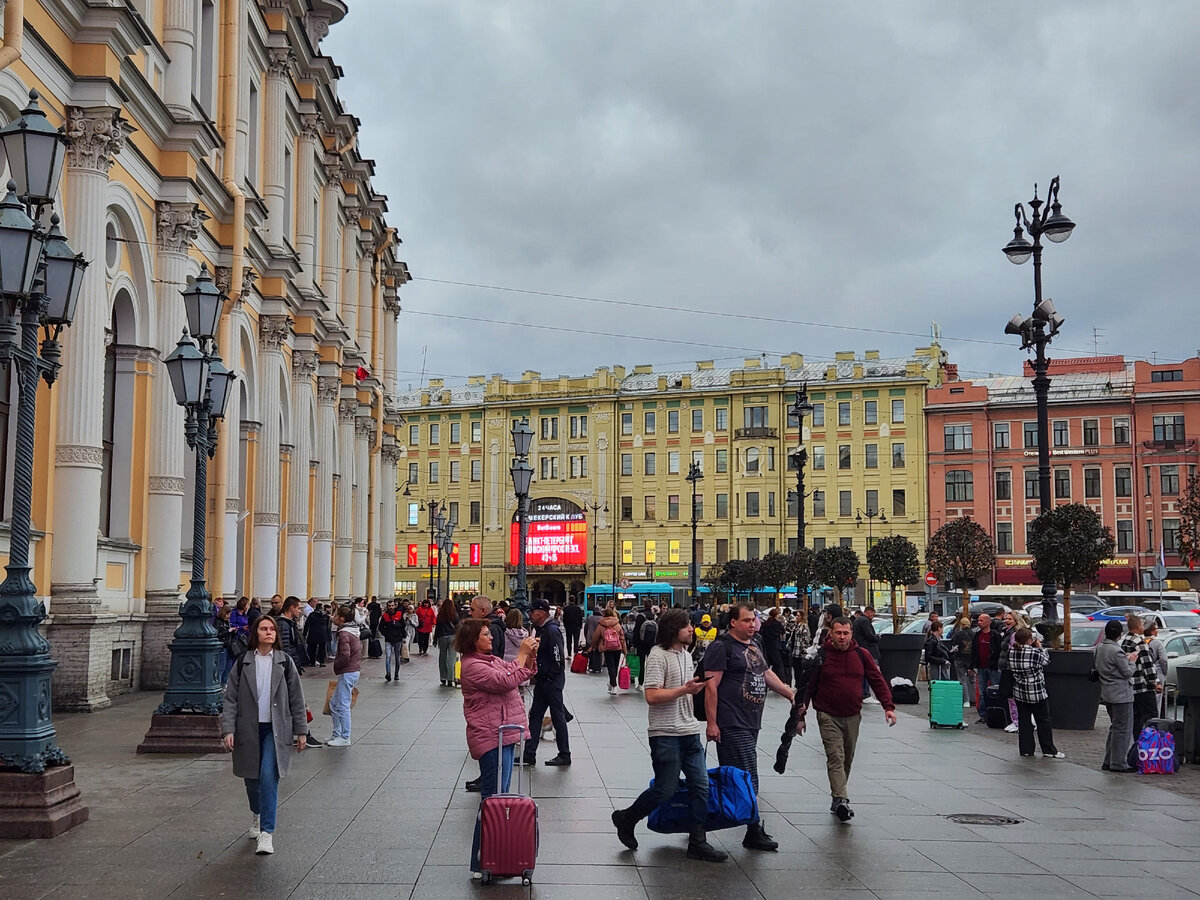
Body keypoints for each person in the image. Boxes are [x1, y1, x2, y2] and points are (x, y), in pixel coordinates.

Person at [610, 608, 727, 863]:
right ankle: (627, 817)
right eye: (687, 626)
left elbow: (682, 690)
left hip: (689, 730)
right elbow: (651, 696)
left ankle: (698, 841)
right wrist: (684, 690)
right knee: (665, 788)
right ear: (674, 629)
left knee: (701, 785)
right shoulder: (658, 656)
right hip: (665, 733)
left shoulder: (686, 655)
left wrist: (693, 691)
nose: (691, 630)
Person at [702, 603, 795, 851]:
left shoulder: (755, 644)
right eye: (746, 620)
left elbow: (765, 673)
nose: (752, 624)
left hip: (752, 719)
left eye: (754, 620)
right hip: (731, 721)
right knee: (747, 777)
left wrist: (789, 693)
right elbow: (711, 686)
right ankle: (753, 830)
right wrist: (712, 723)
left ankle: (699, 822)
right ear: (733, 622)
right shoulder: (721, 647)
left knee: (737, 777)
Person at [457, 617, 539, 879]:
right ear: (473, 640)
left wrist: (529, 657)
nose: (491, 637)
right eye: (485, 634)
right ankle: (482, 861)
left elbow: (519, 674)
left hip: (504, 732)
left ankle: (498, 855)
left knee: (499, 798)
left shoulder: (490, 660)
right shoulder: (471, 666)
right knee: (491, 800)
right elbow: (504, 681)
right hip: (490, 735)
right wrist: (522, 654)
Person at [792, 616, 895, 822]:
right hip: (827, 713)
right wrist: (800, 716)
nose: (842, 637)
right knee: (835, 757)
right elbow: (808, 687)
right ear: (831, 633)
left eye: (846, 633)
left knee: (847, 757)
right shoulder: (821, 656)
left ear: (851, 634)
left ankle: (838, 796)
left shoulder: (861, 654)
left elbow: (877, 680)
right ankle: (841, 799)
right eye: (838, 633)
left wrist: (888, 707)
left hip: (852, 714)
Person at [220, 615, 307, 856]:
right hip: (248, 728)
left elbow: (297, 700)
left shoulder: (285, 662)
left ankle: (267, 832)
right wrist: (228, 729)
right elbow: (230, 700)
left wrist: (301, 731)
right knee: (252, 780)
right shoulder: (243, 663)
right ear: (255, 633)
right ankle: (257, 814)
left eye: (272, 629)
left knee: (269, 775)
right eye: (263, 629)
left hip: (275, 730)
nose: (268, 633)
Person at [522, 598, 571, 766]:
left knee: (558, 717)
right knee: (535, 715)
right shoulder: (543, 629)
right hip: (544, 679)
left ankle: (564, 754)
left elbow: (557, 656)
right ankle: (529, 753)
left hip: (551, 680)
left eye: (532, 611)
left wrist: (550, 674)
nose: (529, 614)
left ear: (541, 613)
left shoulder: (551, 630)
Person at [1007, 626, 1064, 759]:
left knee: (1024, 720)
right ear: (1029, 639)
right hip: (1036, 691)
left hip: (1019, 691)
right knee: (1043, 720)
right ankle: (1048, 749)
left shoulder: (1012, 652)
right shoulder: (1033, 652)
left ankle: (1026, 749)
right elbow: (1046, 660)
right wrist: (1040, 647)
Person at [1121, 614, 1162, 769]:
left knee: (1136, 720)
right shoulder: (1140, 642)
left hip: (1132, 686)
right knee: (1152, 717)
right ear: (1139, 626)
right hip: (1144, 686)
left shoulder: (1125, 641)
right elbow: (1148, 665)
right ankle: (1152, 749)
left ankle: (1137, 750)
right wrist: (1155, 682)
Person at [1095, 620, 1136, 772]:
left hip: (1107, 692)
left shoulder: (1100, 647)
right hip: (1121, 694)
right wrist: (1131, 661)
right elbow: (1127, 672)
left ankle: (1108, 760)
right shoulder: (1116, 651)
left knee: (1115, 727)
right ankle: (1118, 763)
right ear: (1119, 634)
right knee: (1123, 729)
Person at [328, 605, 362, 747]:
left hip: (347, 671)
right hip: (351, 671)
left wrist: (337, 665)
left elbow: (345, 655)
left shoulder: (344, 634)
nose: (333, 618)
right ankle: (337, 734)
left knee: (342, 705)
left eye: (335, 615)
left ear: (341, 619)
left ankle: (344, 736)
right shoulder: (352, 631)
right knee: (334, 703)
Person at [969, 613, 1002, 724]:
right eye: (978, 620)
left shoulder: (995, 635)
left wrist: (997, 663)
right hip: (981, 667)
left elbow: (999, 650)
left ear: (988, 622)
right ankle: (983, 715)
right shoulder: (977, 635)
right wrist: (971, 666)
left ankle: (996, 713)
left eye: (981, 620)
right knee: (982, 692)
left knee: (994, 690)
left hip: (992, 667)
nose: (979, 622)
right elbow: (973, 651)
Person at [590, 604, 628, 694]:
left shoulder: (601, 624)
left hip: (607, 648)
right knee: (615, 666)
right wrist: (624, 649)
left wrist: (593, 646)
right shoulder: (617, 624)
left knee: (610, 666)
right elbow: (622, 637)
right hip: (617, 647)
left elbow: (595, 637)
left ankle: (614, 686)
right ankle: (612, 683)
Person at [851, 607, 881, 703]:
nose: (873, 616)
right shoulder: (865, 621)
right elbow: (869, 636)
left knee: (862, 671)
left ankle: (862, 693)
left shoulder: (857, 620)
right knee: (868, 671)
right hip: (867, 648)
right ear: (869, 612)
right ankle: (866, 694)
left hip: (859, 648)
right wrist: (877, 637)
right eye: (873, 614)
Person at [949, 614, 975, 708]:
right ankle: (976, 699)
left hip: (959, 658)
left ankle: (966, 700)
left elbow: (954, 647)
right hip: (971, 659)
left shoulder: (958, 634)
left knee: (962, 680)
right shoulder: (973, 634)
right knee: (973, 680)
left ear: (962, 624)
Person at [379, 600, 408, 681]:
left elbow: (403, 626)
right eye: (389, 606)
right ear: (387, 607)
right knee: (388, 656)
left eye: (392, 606)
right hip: (388, 639)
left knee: (397, 657)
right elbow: (381, 627)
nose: (391, 607)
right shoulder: (385, 616)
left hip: (397, 638)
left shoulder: (399, 614)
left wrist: (404, 636)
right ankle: (388, 673)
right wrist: (385, 633)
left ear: (394, 606)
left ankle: (396, 674)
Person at [434, 597, 460, 686]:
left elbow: (437, 628)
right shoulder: (454, 614)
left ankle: (443, 677)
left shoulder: (440, 614)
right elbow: (458, 625)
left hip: (442, 637)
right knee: (451, 658)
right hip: (453, 637)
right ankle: (450, 678)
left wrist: (435, 639)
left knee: (442, 657)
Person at [760, 607, 789, 683]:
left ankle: (766, 681)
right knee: (779, 665)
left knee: (767, 665)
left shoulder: (765, 624)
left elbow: (761, 633)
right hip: (775, 646)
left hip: (766, 646)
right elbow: (783, 632)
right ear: (776, 615)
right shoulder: (777, 624)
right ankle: (781, 681)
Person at [303, 600, 330, 669]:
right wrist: (328, 634)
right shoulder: (325, 615)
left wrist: (304, 634)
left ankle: (312, 662)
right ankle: (322, 662)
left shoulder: (312, 615)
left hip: (313, 632)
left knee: (312, 648)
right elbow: (328, 625)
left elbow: (307, 625)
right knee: (322, 648)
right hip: (323, 633)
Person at [583, 603, 604, 673]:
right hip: (599, 638)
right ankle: (598, 667)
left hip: (590, 638)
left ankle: (591, 666)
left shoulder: (590, 618)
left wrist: (586, 636)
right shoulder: (602, 619)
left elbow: (585, 628)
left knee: (590, 653)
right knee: (598, 653)